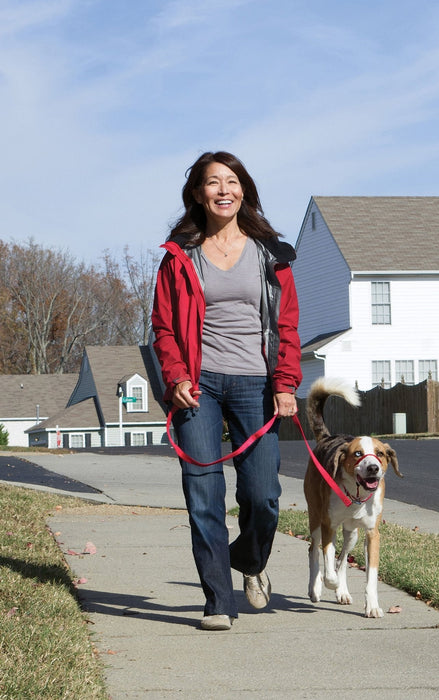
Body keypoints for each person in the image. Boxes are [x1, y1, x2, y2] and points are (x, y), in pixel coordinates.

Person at [152, 151, 301, 631]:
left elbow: (287, 325)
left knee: (263, 496)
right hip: (197, 385)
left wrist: (285, 384)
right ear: (198, 192)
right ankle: (218, 601)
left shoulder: (270, 253)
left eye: (231, 181)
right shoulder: (179, 257)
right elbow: (163, 328)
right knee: (203, 494)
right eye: (213, 182)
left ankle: (251, 560)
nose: (223, 190)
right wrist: (176, 377)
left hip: (256, 383)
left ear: (244, 191)